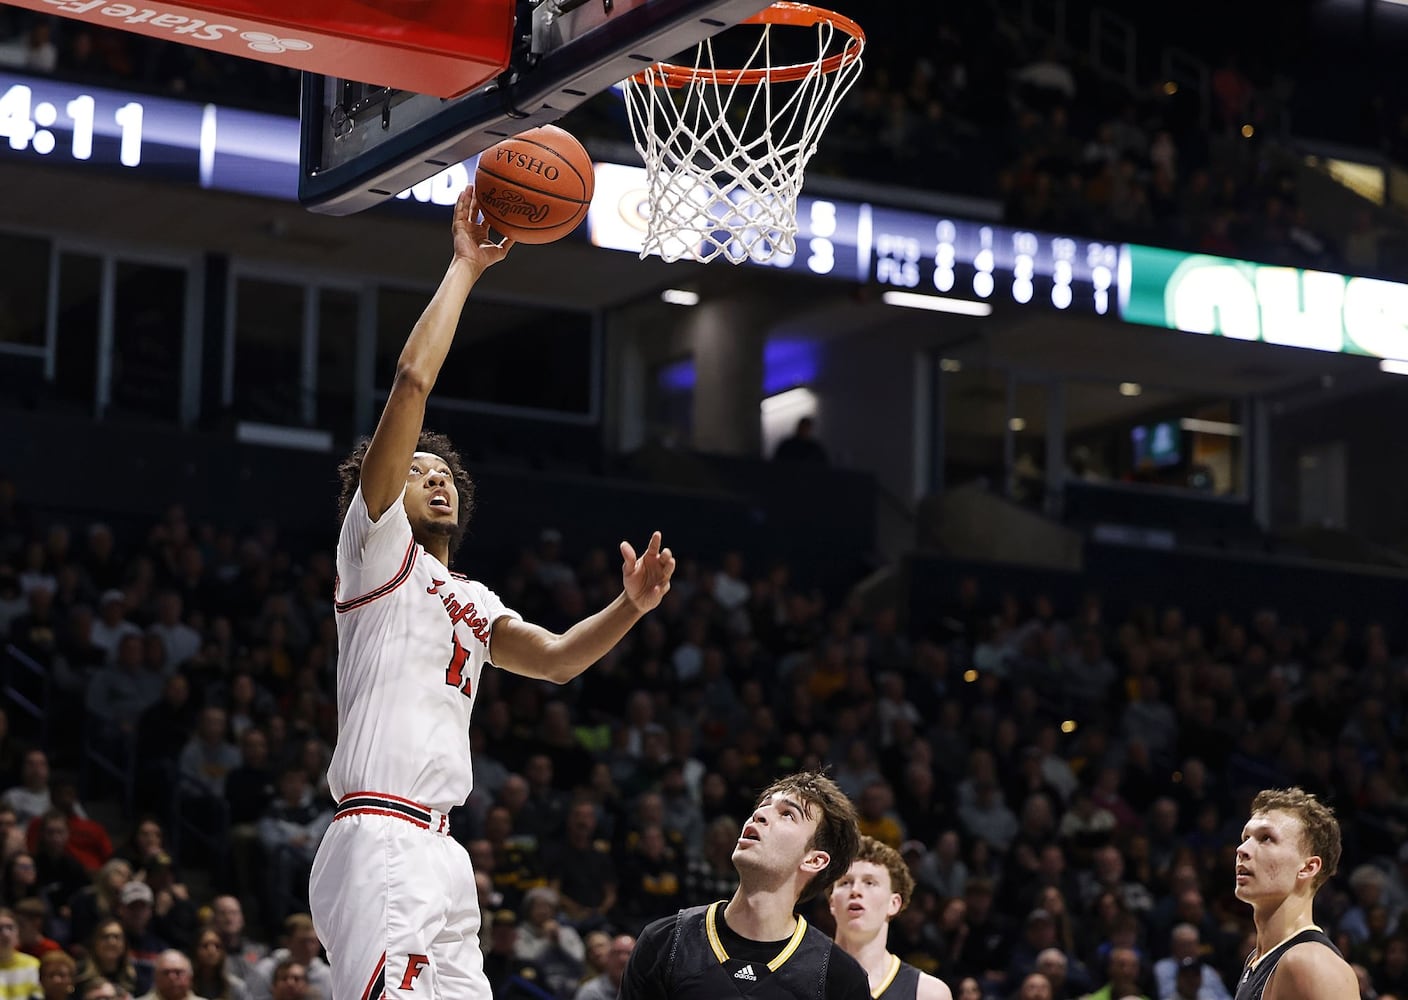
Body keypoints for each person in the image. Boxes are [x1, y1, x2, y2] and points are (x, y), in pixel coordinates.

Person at [308, 184, 676, 1000]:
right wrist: (465, 268)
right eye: (416, 472)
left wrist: (631, 608)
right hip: (379, 833)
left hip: (442, 850)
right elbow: (411, 381)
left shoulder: (469, 597)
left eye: (445, 475)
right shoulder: (374, 554)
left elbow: (551, 661)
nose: (433, 480)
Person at [620, 770, 869, 1000]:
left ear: (814, 860)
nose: (759, 814)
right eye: (762, 806)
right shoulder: (664, 943)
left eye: (787, 814)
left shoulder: (840, 979)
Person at [1232, 787, 1357, 1000]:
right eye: (1246, 837)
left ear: (1308, 868)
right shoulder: (1258, 959)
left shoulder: (1311, 963)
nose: (1242, 849)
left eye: (1266, 838)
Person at [828, 836, 951, 999]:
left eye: (869, 882)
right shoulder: (797, 977)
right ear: (832, 902)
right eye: (845, 882)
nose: (855, 890)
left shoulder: (928, 992)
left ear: (894, 903)